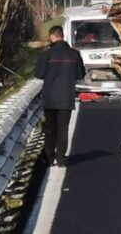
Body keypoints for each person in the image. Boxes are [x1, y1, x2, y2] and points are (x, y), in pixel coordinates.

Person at [36, 25, 86, 167]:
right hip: (66, 97)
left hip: (49, 98)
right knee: (63, 129)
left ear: (52, 36)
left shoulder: (46, 54)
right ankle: (61, 159)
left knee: (50, 129)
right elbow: (80, 74)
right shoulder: (74, 54)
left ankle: (49, 158)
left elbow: (39, 75)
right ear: (62, 36)